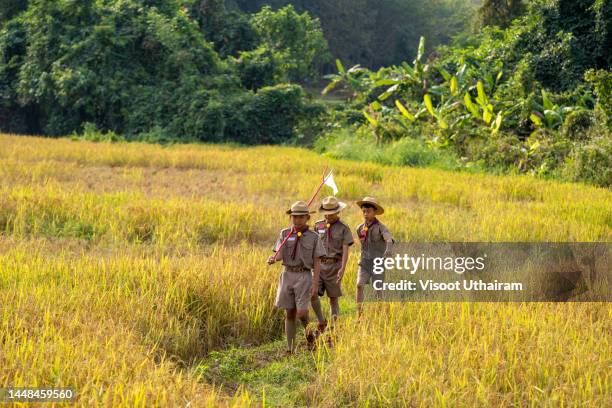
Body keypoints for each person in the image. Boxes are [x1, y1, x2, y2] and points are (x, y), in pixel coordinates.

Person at [268, 201, 326, 353]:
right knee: (289, 313)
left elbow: (317, 261)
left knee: (302, 313)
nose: (297, 220)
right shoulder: (284, 234)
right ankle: (290, 349)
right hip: (287, 274)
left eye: (301, 217)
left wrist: (315, 283)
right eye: (294, 217)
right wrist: (274, 259)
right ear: (291, 217)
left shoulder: (313, 237)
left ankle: (310, 336)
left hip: (304, 275)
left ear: (307, 217)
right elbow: (279, 253)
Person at [311, 196, 354, 333]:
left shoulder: (343, 228)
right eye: (326, 212)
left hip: (334, 266)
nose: (328, 215)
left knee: (333, 299)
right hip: (319, 266)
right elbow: (313, 245)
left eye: (331, 212)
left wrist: (343, 268)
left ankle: (333, 328)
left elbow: (346, 249)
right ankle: (320, 321)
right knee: (312, 294)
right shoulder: (318, 225)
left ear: (338, 212)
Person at [355, 197, 394, 315]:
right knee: (359, 285)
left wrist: (388, 250)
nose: (366, 214)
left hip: (378, 262)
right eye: (364, 212)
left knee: (378, 289)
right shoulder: (359, 228)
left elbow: (389, 239)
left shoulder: (381, 227)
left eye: (369, 211)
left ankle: (380, 312)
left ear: (375, 212)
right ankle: (359, 313)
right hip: (365, 262)